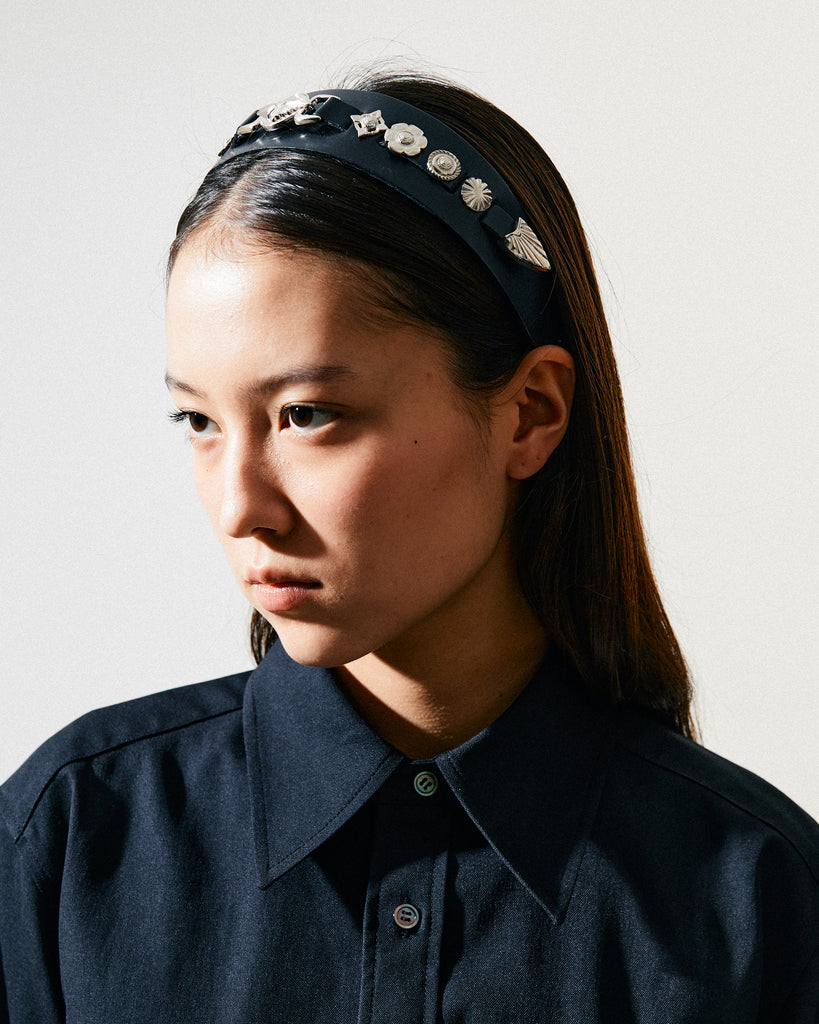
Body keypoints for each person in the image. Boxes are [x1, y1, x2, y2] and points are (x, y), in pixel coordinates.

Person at [1, 70, 817, 1023]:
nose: (239, 508)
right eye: (199, 422)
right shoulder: (71, 841)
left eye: (308, 414)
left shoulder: (757, 903)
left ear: (530, 412)